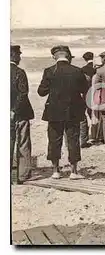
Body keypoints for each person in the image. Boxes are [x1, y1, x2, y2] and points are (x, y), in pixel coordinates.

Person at [38, 45, 87, 179]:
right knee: (73, 139)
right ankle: (74, 171)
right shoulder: (77, 71)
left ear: (55, 56)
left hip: (54, 111)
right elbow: (85, 88)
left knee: (54, 140)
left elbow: (41, 92)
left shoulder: (49, 71)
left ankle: (55, 171)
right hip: (73, 110)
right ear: (68, 56)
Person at [10, 45, 34, 184]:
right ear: (13, 56)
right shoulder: (20, 72)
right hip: (20, 114)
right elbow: (23, 93)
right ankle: (23, 175)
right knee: (23, 143)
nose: (20, 57)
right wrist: (14, 110)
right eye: (18, 54)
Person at [80, 52, 97, 148]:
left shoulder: (82, 69)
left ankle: (88, 135)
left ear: (84, 59)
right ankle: (96, 133)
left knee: (86, 114)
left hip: (86, 93)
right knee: (95, 114)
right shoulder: (96, 69)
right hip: (96, 93)